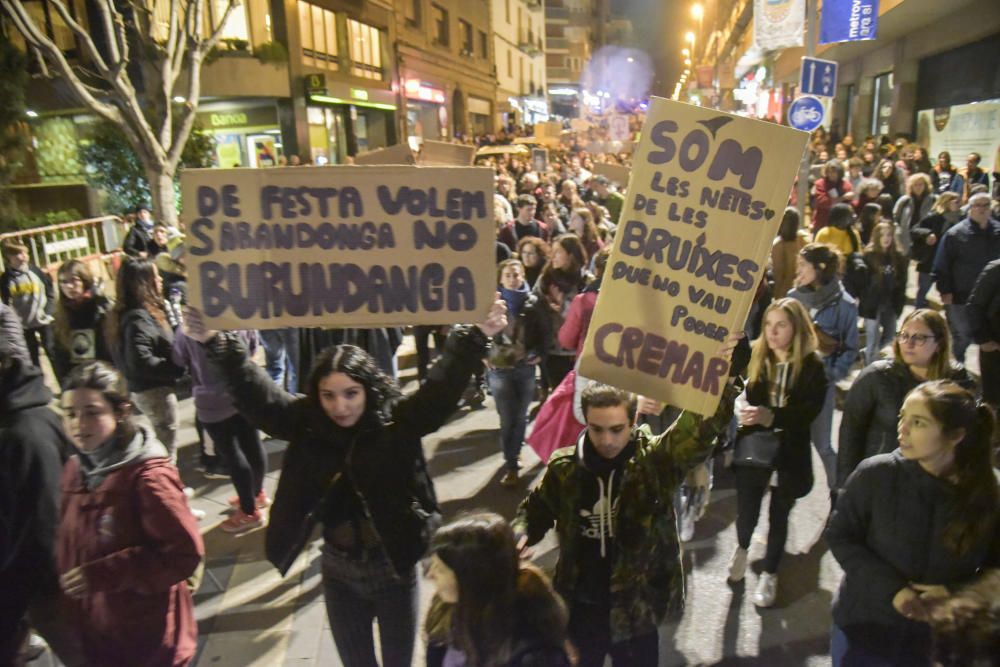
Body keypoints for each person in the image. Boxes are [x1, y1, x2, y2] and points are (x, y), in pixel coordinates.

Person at [183, 299, 507, 667]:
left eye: (351, 393)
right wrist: (214, 342)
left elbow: (442, 388)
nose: (340, 407)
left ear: (369, 390)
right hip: (339, 573)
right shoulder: (305, 422)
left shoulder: (397, 422)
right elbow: (258, 394)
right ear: (316, 395)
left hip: (394, 571)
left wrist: (478, 335)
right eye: (328, 395)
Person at [513, 333, 744, 667]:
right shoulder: (565, 468)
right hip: (580, 609)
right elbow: (536, 508)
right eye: (597, 429)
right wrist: (521, 531)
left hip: (637, 612)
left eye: (617, 429)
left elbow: (700, 428)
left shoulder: (655, 463)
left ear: (634, 421)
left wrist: (727, 379)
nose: (606, 440)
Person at [827, 381, 999, 666]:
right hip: (865, 627)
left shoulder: (988, 492)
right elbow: (841, 535)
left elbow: (994, 567)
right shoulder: (876, 474)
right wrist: (893, 590)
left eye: (918, 422)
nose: (902, 429)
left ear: (955, 435)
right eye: (902, 417)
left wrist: (953, 592)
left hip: (940, 640)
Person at [56, 362, 203, 666]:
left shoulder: (148, 477)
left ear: (120, 412)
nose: (78, 423)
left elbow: (183, 554)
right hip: (98, 631)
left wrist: (105, 573)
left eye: (92, 412)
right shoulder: (75, 467)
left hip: (145, 640)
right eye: (70, 414)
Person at [728, 299, 828, 607]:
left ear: (796, 328)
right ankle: (743, 548)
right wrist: (740, 408)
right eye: (768, 325)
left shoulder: (812, 366)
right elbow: (733, 384)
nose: (772, 332)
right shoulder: (756, 353)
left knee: (779, 515)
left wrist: (769, 416)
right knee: (747, 513)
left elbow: (808, 412)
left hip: (789, 454)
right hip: (753, 450)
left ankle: (770, 573)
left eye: (780, 325)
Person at [0, 342, 81, 667]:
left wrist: (11, 606)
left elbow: (40, 532)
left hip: (48, 588)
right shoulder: (22, 418)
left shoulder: (24, 435)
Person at [837, 309, 973, 488]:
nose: (908, 343)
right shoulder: (877, 376)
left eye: (919, 338)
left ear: (939, 343)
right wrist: (843, 487)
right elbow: (851, 432)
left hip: (932, 484)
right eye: (904, 335)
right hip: (880, 480)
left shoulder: (955, 382)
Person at [425, 513, 572, 667]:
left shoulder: (535, 655)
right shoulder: (443, 612)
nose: (430, 575)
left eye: (440, 570)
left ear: (471, 578)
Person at [172, 326, 268, 532]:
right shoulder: (239, 316)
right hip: (245, 393)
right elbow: (252, 348)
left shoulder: (189, 328)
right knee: (252, 445)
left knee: (233, 455)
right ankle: (257, 494)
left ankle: (249, 511)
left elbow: (179, 360)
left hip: (212, 400)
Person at [788, 244, 860, 490]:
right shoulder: (793, 298)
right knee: (786, 443)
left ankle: (839, 494)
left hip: (820, 387)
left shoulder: (846, 305)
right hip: (789, 383)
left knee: (823, 445)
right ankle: (784, 500)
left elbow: (850, 350)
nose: (797, 270)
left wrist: (828, 376)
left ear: (819, 268)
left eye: (802, 266)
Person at [105, 258, 185, 462]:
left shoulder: (127, 314)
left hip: (144, 390)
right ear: (143, 283)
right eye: (154, 276)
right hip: (155, 392)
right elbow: (141, 360)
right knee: (166, 447)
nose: (160, 280)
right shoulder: (138, 319)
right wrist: (175, 367)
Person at [488, 259, 547, 487]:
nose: (513, 279)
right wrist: (484, 358)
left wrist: (540, 354)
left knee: (521, 415)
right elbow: (477, 330)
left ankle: (514, 454)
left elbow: (545, 332)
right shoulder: (492, 303)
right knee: (507, 417)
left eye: (516, 274)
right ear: (501, 279)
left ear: (523, 276)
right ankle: (511, 461)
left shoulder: (533, 302)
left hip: (525, 367)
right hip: (499, 369)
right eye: (508, 275)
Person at [932, 192, 1000, 364]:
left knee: (988, 339)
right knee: (962, 335)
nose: (982, 209)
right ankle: (956, 369)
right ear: (969, 209)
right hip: (961, 296)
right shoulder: (955, 234)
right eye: (978, 205)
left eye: (986, 205)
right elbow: (942, 264)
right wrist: (945, 290)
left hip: (992, 298)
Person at [50, 260, 113, 386]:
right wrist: (66, 386)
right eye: (64, 282)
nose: (69, 286)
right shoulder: (61, 315)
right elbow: (59, 357)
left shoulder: (100, 307)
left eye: (74, 280)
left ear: (85, 280)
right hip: (79, 379)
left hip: (106, 374)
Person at [860, 222, 910, 365]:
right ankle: (869, 369)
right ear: (876, 237)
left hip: (891, 303)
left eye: (889, 235)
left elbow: (903, 281)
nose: (886, 238)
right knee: (872, 339)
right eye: (882, 235)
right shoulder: (869, 256)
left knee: (890, 336)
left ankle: (868, 352)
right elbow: (862, 282)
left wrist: (900, 302)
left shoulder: (899, 257)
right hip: (873, 304)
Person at [1, 239, 55, 369]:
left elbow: (50, 291)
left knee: (51, 351)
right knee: (32, 358)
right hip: (24, 325)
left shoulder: (35, 270)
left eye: (25, 253)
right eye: (19, 254)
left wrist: (48, 311)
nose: (23, 257)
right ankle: (39, 385)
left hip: (43, 320)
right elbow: (6, 302)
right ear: (9, 257)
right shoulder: (6, 279)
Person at [911, 192, 961, 309]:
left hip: (950, 262)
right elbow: (915, 229)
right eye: (956, 201)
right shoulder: (935, 217)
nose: (959, 204)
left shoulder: (962, 219)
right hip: (931, 260)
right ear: (947, 202)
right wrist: (928, 234)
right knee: (923, 289)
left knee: (949, 292)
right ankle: (918, 311)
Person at [966, 258, 1000, 408]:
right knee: (992, 402)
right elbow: (974, 306)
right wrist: (984, 340)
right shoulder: (996, 269)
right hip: (995, 348)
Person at [770, 208, 812, 299]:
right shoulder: (804, 239)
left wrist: (776, 296)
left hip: (786, 292)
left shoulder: (778, 245)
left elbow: (779, 275)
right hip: (805, 290)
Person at [893, 173, 936, 256]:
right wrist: (898, 232)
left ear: (926, 185)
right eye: (915, 185)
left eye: (921, 184)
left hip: (926, 238)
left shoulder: (933, 200)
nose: (918, 187)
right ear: (911, 187)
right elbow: (894, 217)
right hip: (906, 238)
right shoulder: (904, 201)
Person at [811, 160, 854, 234]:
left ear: (839, 172)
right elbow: (823, 202)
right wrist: (843, 198)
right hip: (822, 222)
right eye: (829, 172)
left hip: (840, 225)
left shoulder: (847, 185)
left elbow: (847, 206)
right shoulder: (820, 184)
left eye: (834, 172)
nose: (831, 174)